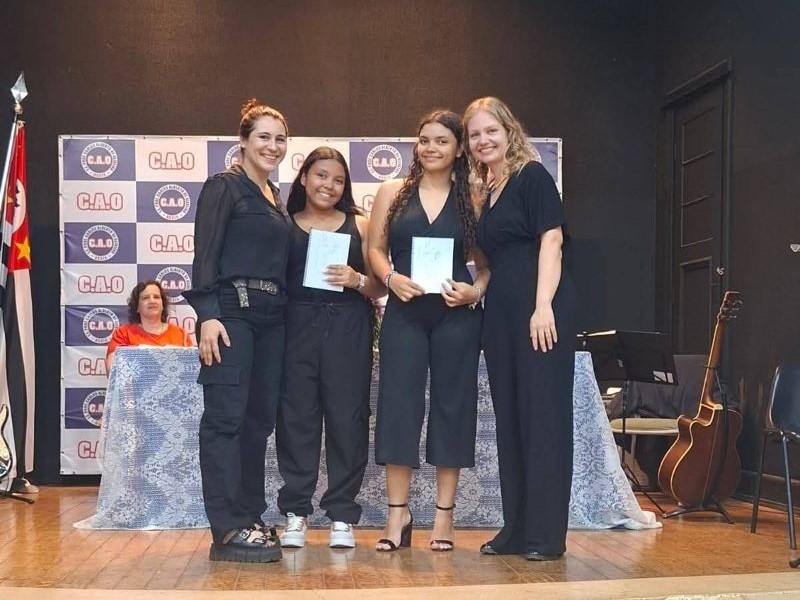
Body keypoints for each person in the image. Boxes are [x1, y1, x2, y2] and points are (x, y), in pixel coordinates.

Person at [368, 110, 490, 552]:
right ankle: (397, 514)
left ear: (459, 148)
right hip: (404, 311)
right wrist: (389, 278)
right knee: (398, 405)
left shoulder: (474, 196)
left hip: (456, 315)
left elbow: (487, 263)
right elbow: (375, 250)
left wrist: (475, 291)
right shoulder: (392, 191)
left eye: (441, 141)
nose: (431, 148)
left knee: (452, 406)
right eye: (424, 140)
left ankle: (444, 516)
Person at [463, 96, 578, 561]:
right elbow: (488, 260)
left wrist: (543, 305)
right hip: (502, 316)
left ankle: (546, 537)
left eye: (490, 130)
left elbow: (551, 239)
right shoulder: (487, 189)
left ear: (509, 130)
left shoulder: (532, 175)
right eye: (474, 134)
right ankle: (516, 529)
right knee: (511, 421)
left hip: (540, 312)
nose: (482, 140)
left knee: (543, 419)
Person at [183, 99, 290, 564]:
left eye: (280, 138)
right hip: (231, 315)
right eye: (263, 136)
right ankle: (226, 530)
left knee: (257, 422)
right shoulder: (225, 187)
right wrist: (207, 313)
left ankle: (249, 516)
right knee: (225, 419)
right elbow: (204, 253)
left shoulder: (275, 199)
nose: (272, 145)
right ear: (242, 142)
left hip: (272, 321)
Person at [275, 147, 384, 549]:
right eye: (321, 176)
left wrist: (356, 279)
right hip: (296, 327)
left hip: (348, 326)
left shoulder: (361, 224)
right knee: (296, 419)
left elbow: (379, 285)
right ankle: (296, 513)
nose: (329, 186)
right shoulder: (284, 224)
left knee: (348, 419)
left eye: (338, 180)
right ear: (303, 178)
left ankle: (342, 515)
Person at [105, 280, 192, 371]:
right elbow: (112, 369)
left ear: (162, 305)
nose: (152, 301)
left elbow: (189, 370)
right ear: (137, 307)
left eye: (156, 297)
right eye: (145, 298)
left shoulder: (181, 334)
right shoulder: (123, 334)